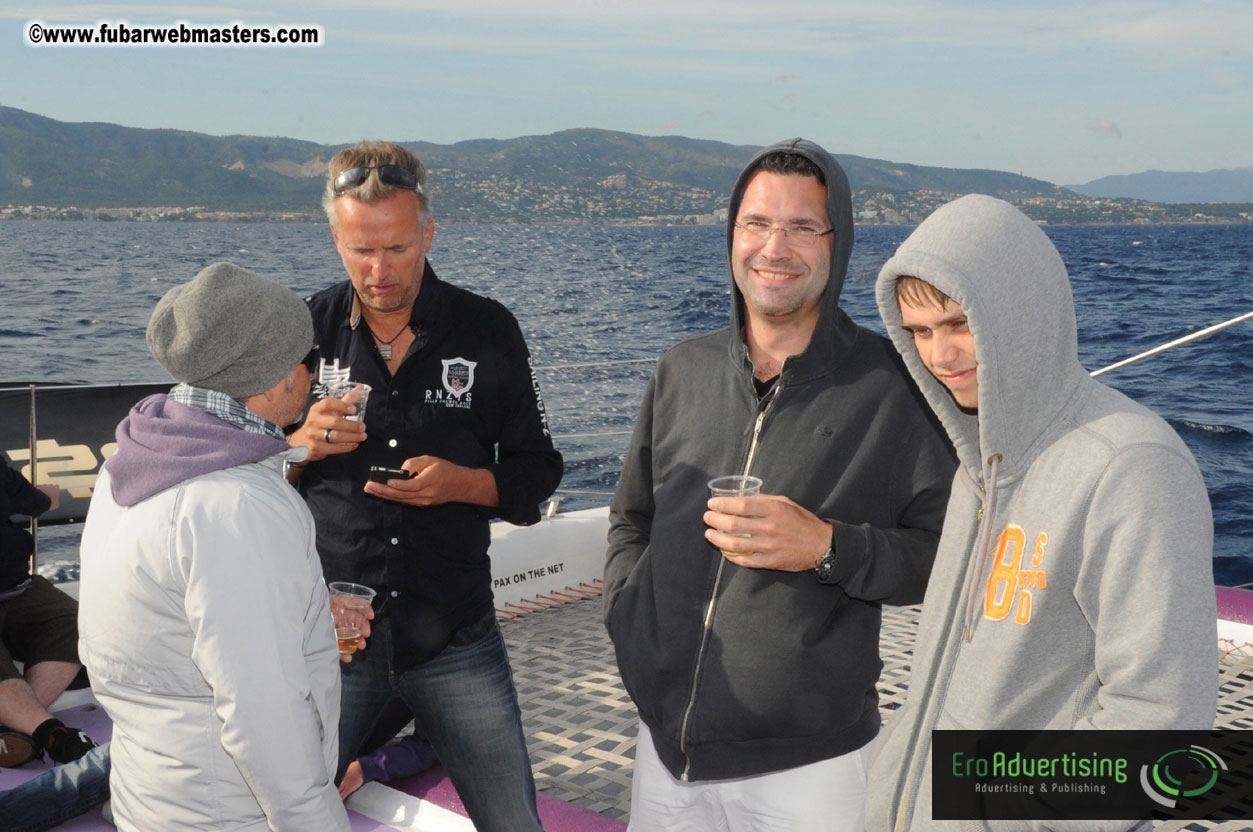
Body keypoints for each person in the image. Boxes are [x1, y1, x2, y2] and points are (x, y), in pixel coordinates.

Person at [603, 138, 955, 831]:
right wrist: (628, 620)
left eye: (802, 227)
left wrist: (827, 547)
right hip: (664, 750)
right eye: (757, 224)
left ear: (838, 242)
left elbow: (943, 555)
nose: (775, 247)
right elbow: (630, 517)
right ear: (732, 234)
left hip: (808, 769)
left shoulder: (895, 389)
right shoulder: (682, 369)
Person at [865, 194, 1218, 830]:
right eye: (919, 332)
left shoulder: (1133, 464)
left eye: (958, 323)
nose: (938, 356)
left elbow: (1165, 719)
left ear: (1017, 314)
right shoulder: (980, 466)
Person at [287, 141, 562, 832]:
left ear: (429, 234)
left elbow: (537, 471)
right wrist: (299, 446)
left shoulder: (488, 328)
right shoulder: (304, 330)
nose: (379, 271)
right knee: (279, 817)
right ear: (334, 238)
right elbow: (246, 481)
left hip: (455, 641)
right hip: (332, 641)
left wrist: (464, 483)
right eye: (360, 251)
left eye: (398, 249)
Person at [77, 262, 350, 830]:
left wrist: (305, 613)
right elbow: (263, 715)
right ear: (274, 381)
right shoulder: (240, 507)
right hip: (230, 812)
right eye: (306, 361)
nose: (313, 376)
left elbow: (162, 622)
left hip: (151, 796)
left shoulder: (131, 463)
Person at [0, 455, 95, 769]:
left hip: (16, 586)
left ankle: (15, 732)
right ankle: (52, 735)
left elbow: (37, 502)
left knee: (74, 622)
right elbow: (41, 501)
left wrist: (44, 496)